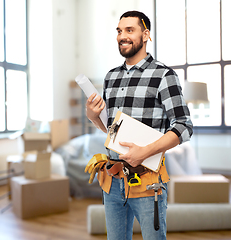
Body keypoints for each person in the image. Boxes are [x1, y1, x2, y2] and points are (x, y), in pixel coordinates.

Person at [85, 10, 193, 240]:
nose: (122, 36)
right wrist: (93, 116)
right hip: (112, 182)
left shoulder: (164, 75)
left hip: (147, 183)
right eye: (119, 31)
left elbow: (184, 126)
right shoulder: (111, 77)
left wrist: (144, 152)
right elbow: (110, 129)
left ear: (145, 35)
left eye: (129, 30)